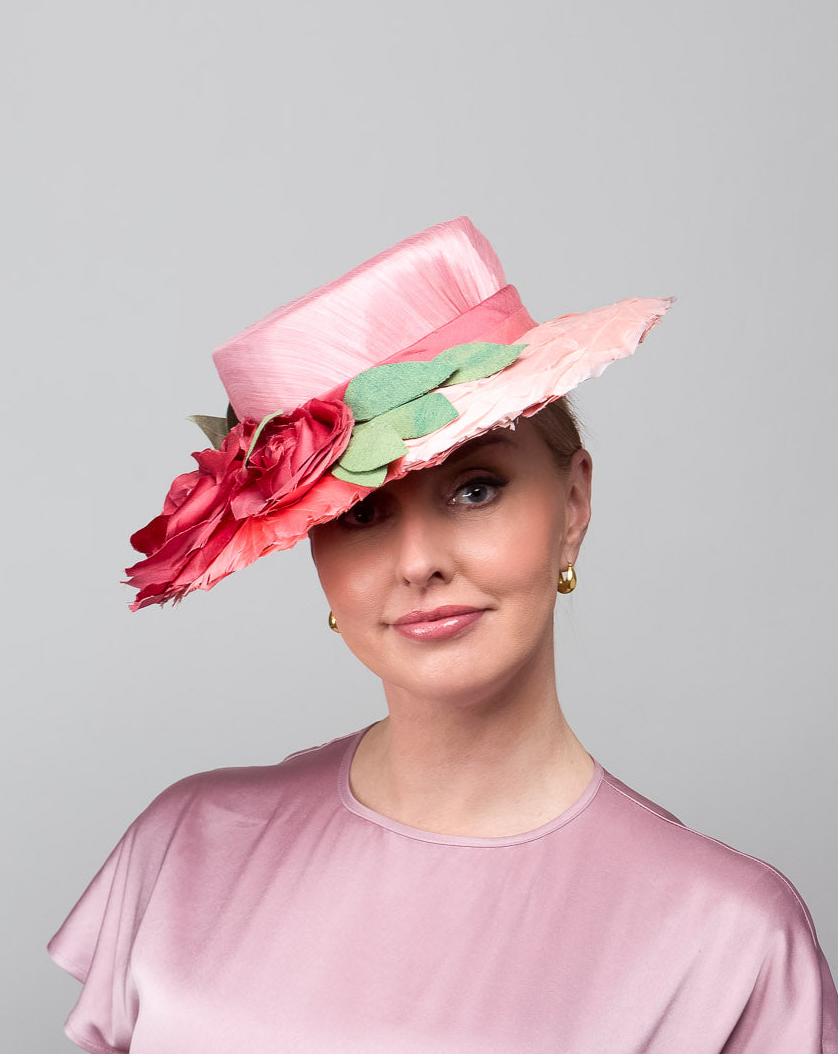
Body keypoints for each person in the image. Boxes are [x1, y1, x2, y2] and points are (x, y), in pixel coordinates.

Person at [49, 218, 838, 1053]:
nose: (418, 562)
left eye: (475, 489)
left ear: (572, 506)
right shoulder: (186, 848)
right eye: (359, 513)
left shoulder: (728, 940)